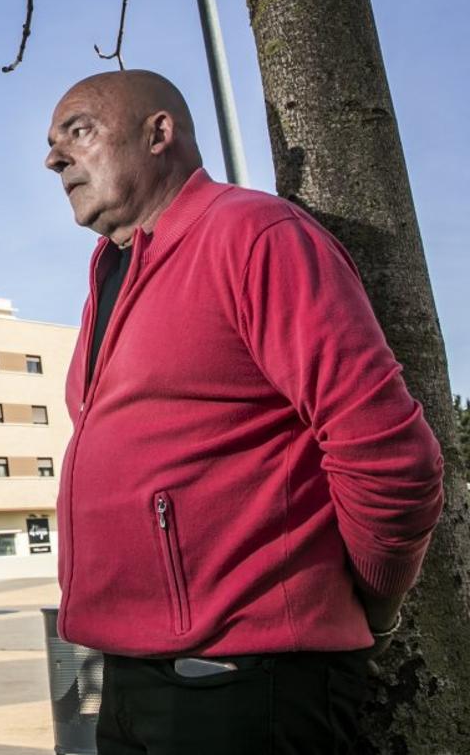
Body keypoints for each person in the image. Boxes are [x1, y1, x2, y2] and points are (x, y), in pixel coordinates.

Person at [44, 70, 444, 754]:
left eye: (77, 131)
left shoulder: (253, 235)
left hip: (244, 688)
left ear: (159, 133)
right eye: (52, 145)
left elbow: (390, 456)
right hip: (134, 681)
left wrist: (373, 608)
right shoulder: (108, 279)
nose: (54, 159)